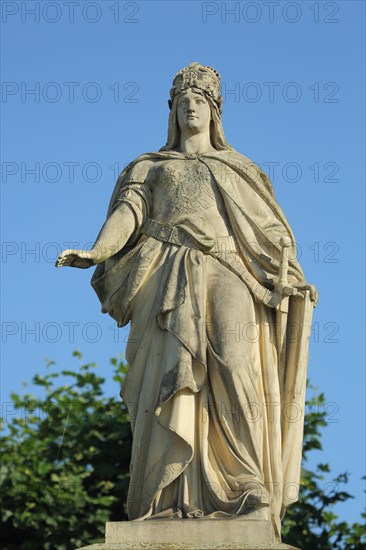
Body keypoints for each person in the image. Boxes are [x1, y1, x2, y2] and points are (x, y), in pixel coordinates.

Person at [56, 63, 317, 539]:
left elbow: (271, 229)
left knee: (237, 365)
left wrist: (286, 268)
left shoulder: (239, 168)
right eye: (182, 101)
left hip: (229, 270)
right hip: (167, 273)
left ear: (215, 111)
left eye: (200, 100)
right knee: (168, 380)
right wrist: (95, 251)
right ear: (172, 112)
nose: (190, 106)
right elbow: (128, 214)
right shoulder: (149, 168)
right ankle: (164, 492)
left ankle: (246, 483)